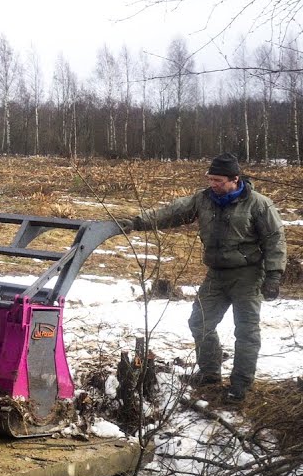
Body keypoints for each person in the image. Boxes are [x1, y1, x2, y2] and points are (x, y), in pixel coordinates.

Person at [116, 152, 286, 403]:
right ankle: (209, 375)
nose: (213, 184)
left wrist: (274, 275)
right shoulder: (204, 199)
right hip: (216, 275)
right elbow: (172, 213)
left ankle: (239, 385)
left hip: (248, 275)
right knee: (200, 322)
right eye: (210, 179)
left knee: (246, 331)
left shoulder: (258, 204)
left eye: (218, 180)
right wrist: (136, 222)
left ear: (234, 179)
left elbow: (275, 239)